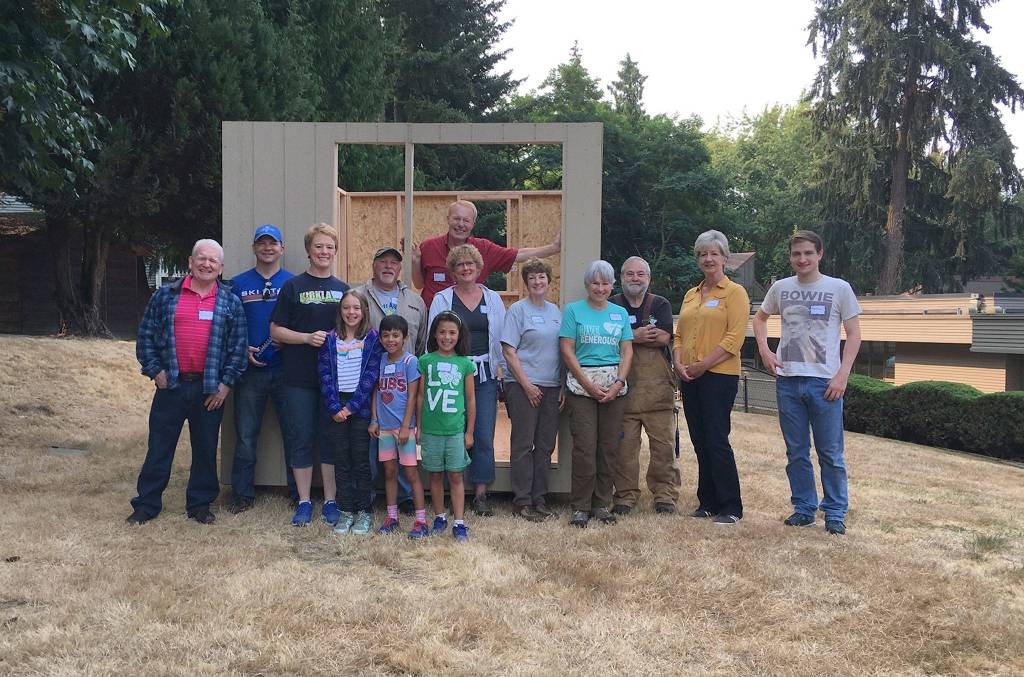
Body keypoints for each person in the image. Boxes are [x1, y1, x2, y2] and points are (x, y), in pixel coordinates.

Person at [127, 239, 247, 525]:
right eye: (201, 259)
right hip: (172, 386)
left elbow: (238, 347)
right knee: (159, 447)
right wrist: (155, 371)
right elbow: (145, 337)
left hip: (209, 389)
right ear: (191, 262)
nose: (207, 264)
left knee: (205, 449)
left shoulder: (229, 301)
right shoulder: (165, 296)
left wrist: (226, 385)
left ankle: (200, 504)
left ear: (221, 268)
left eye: (213, 261)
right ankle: (146, 504)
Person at [752, 229, 862, 536]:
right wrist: (765, 350)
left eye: (808, 253)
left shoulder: (839, 288)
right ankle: (803, 509)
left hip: (825, 382)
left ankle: (836, 512)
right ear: (790, 257)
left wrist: (842, 375)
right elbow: (759, 319)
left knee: (830, 452)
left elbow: (854, 335)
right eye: (796, 254)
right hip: (788, 381)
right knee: (796, 452)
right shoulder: (781, 288)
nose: (802, 259)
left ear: (819, 254)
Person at [270, 223, 349, 527]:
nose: (324, 252)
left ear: (335, 251)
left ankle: (330, 500)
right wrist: (305, 338)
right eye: (318, 246)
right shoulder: (293, 286)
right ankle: (304, 501)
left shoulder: (343, 290)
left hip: (333, 381)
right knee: (301, 438)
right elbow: (275, 330)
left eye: (329, 247)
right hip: (297, 377)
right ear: (308, 251)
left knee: (330, 439)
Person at [672, 230, 750, 526]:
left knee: (717, 439)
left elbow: (734, 338)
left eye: (714, 253)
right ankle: (707, 502)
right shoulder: (691, 294)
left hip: (719, 376)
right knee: (699, 440)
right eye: (703, 254)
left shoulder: (735, 293)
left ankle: (731, 506)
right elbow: (679, 333)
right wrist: (679, 363)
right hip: (690, 377)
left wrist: (703, 364)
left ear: (725, 258)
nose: (708, 258)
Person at [427, 244, 506, 517]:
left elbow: (501, 338)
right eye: (460, 264)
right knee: (451, 432)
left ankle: (481, 494)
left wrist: (501, 370)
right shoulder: (442, 299)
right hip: (450, 373)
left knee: (482, 432)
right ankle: (451, 491)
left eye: (470, 263)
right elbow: (431, 337)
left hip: (483, 373)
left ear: (479, 267)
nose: (465, 268)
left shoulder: (493, 299)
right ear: (452, 270)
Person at [559, 260, 633, 528]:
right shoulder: (573, 311)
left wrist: (617, 383)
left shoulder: (620, 314)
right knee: (585, 449)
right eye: (595, 283)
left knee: (608, 448)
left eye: (605, 283)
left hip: (614, 386)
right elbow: (567, 350)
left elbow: (627, 350)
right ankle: (580, 506)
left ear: (612, 285)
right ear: (587, 285)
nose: (600, 288)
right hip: (582, 387)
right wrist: (588, 385)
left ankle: (601, 504)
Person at [227, 224, 296, 513]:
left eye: (273, 243)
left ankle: (298, 493)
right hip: (249, 372)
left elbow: (301, 323)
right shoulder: (237, 284)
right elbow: (227, 324)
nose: (268, 248)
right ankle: (242, 495)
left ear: (282, 248)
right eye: (262, 243)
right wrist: (241, 349)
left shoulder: (293, 283)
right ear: (254, 248)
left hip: (287, 371)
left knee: (294, 434)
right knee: (245, 436)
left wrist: (288, 343)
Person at [355, 245, 427, 514]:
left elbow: (420, 344)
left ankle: (406, 499)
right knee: (373, 445)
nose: (388, 266)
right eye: (382, 261)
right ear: (374, 265)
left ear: (400, 268)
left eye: (393, 263)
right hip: (368, 385)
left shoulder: (415, 301)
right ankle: (371, 496)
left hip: (404, 386)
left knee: (402, 444)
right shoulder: (359, 296)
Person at [609, 256, 680, 516]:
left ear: (648, 278)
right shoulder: (612, 305)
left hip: (658, 393)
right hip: (624, 392)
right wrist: (637, 335)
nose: (635, 278)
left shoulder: (659, 304)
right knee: (624, 451)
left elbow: (662, 337)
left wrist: (626, 337)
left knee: (664, 449)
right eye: (630, 274)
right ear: (622, 277)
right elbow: (606, 340)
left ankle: (665, 496)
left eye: (640, 274)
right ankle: (625, 496)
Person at [500, 258, 563, 522]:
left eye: (542, 277)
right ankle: (522, 500)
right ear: (526, 282)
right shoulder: (517, 310)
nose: (538, 282)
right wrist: (526, 384)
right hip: (523, 386)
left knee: (546, 445)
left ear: (549, 281)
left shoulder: (556, 312)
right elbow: (508, 350)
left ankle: (540, 499)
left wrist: (562, 386)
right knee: (524, 444)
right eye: (532, 277)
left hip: (552, 386)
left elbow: (563, 351)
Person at [411, 200, 561, 309]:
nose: (461, 224)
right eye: (456, 218)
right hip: (434, 321)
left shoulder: (483, 248)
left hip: (470, 321)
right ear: (448, 219)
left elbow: (518, 255)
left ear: (473, 223)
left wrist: (554, 248)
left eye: (466, 220)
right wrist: (416, 260)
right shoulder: (429, 246)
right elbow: (419, 284)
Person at [317, 290, 382, 535]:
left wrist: (351, 407)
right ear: (340, 311)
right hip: (336, 408)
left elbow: (371, 376)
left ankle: (364, 511)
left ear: (364, 311)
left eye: (356, 308)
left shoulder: (372, 339)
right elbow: (324, 374)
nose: (351, 312)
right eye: (346, 308)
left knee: (361, 460)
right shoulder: (330, 339)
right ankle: (345, 511)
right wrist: (335, 407)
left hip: (360, 406)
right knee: (341, 461)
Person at [417, 311, 476, 542]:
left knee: (455, 476)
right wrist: (419, 427)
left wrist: (469, 432)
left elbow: (470, 400)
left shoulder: (465, 364)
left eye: (452, 332)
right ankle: (440, 517)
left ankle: (459, 522)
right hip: (431, 431)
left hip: (454, 431)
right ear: (434, 334)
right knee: (434, 476)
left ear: (459, 335)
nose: (447, 337)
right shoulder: (426, 361)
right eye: (442, 332)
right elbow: (421, 397)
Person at [370, 315, 429, 539]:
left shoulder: (410, 362)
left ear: (405, 338)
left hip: (404, 429)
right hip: (384, 428)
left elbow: (414, 396)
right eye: (386, 335)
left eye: (396, 335)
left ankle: (421, 520)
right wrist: (374, 419)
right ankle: (392, 516)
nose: (390, 339)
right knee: (390, 472)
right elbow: (375, 391)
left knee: (412, 474)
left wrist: (407, 426)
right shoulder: (380, 360)